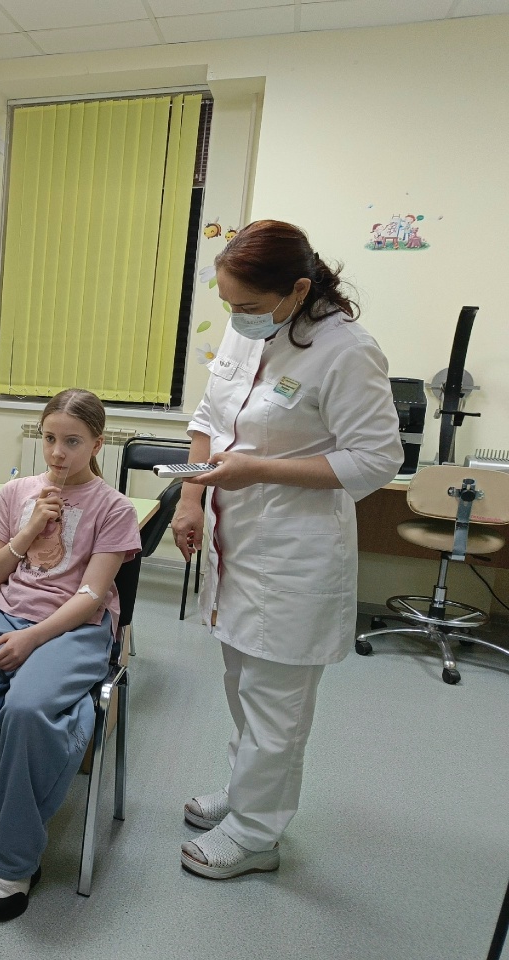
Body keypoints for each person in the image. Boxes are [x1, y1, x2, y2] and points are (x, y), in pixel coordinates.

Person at [171, 220, 402, 880]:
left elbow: (377, 459)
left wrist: (259, 470)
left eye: (245, 304)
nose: (235, 317)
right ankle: (246, 791)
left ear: (298, 290)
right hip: (235, 542)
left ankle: (255, 833)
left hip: (296, 553)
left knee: (277, 702)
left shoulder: (347, 350)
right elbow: (208, 419)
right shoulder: (251, 327)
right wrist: (190, 497)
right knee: (241, 683)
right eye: (227, 304)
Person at [0, 388, 141, 921]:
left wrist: (34, 638)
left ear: (97, 444)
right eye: (49, 439)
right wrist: (26, 531)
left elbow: (91, 596)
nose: (57, 453)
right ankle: (2, 804)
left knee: (26, 710)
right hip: (5, 613)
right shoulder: (16, 492)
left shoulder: (114, 509)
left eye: (72, 442)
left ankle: (15, 861)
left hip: (75, 626)